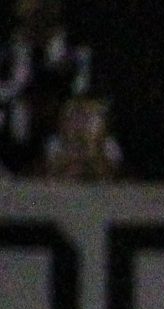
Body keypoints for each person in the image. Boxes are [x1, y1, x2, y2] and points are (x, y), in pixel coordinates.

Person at [0, 0, 90, 177]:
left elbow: (81, 92)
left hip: (60, 125)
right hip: (14, 130)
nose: (37, 12)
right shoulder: (9, 53)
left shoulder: (74, 53)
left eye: (44, 8)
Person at [37, 86, 113, 179]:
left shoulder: (108, 145)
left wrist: (91, 149)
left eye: (85, 117)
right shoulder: (55, 144)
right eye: (74, 117)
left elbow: (110, 173)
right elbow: (49, 169)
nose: (79, 122)